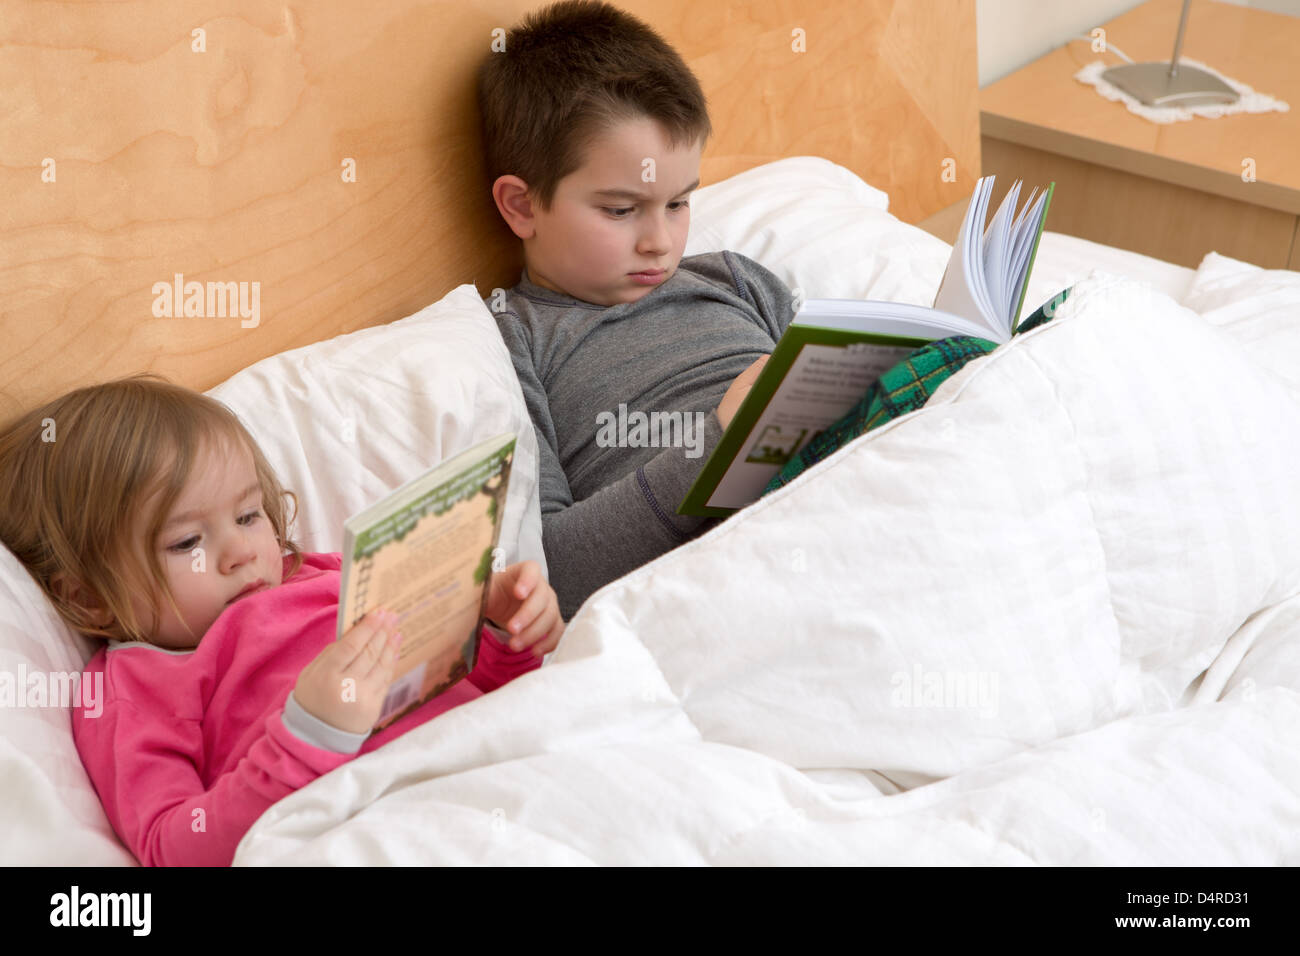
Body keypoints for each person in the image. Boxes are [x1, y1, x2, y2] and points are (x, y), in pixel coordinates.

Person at [477, 0, 1002, 619]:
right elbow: (552, 571)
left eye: (678, 203)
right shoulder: (514, 340)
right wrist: (719, 445)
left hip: (859, 491)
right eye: (621, 210)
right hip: (727, 564)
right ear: (521, 206)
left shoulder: (732, 278)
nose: (660, 241)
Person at [0, 374, 565, 866]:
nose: (241, 552)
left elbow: (462, 683)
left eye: (249, 515)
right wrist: (308, 734)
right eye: (187, 541)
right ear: (90, 598)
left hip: (501, 765)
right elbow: (175, 848)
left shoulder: (326, 575)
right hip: (378, 822)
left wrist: (501, 631)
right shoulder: (133, 687)